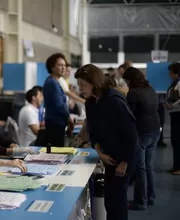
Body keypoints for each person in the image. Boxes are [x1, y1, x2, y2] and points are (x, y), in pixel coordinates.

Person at [75, 64, 139, 220]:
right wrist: (99, 152)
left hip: (125, 157)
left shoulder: (114, 100)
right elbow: (94, 132)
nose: (80, 88)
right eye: (79, 85)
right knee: (110, 199)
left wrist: (124, 162)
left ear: (94, 82)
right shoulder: (91, 103)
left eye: (83, 84)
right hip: (108, 156)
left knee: (116, 201)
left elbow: (131, 135)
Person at [123, 67, 160, 209]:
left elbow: (128, 115)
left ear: (130, 80)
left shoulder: (133, 93)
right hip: (155, 131)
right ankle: (151, 197)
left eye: (126, 81)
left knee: (140, 168)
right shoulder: (150, 89)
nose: (126, 83)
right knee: (149, 166)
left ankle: (140, 201)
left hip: (142, 132)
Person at [43, 53, 74, 147]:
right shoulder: (52, 83)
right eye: (60, 65)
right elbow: (59, 105)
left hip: (56, 123)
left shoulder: (54, 82)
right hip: (55, 125)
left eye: (64, 65)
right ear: (52, 67)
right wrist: (69, 120)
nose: (63, 68)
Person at [165, 62, 180, 175]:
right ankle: (176, 166)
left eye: (171, 72)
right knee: (175, 141)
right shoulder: (175, 83)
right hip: (174, 114)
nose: (169, 74)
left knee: (178, 141)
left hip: (178, 114)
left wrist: (172, 105)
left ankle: (178, 167)